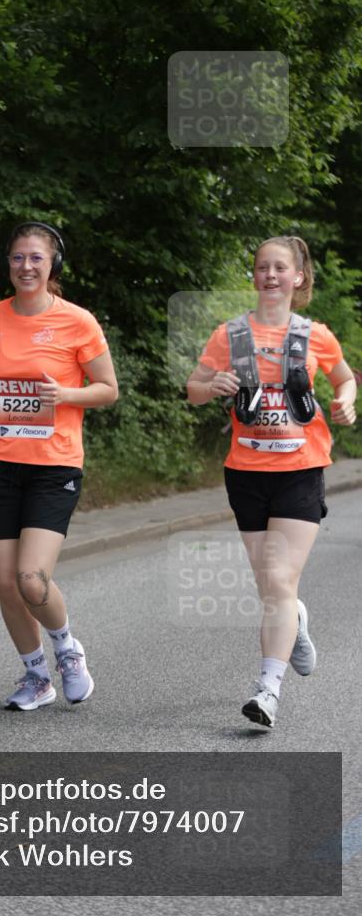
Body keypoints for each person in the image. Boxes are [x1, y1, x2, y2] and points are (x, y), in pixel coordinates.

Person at [186, 235, 357, 728]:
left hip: (301, 470)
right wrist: (210, 386)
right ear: (255, 275)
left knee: (279, 580)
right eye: (262, 267)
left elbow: (344, 378)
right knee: (272, 589)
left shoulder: (314, 335)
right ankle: (295, 619)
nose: (270, 275)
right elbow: (194, 389)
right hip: (245, 472)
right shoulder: (230, 335)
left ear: (298, 277)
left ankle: (267, 690)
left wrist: (346, 401)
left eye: (280, 267)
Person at [0, 222, 118, 710]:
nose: (26, 266)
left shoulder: (78, 322)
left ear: (53, 266)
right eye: (17, 258)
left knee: (31, 579)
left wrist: (65, 394)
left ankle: (67, 648)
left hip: (53, 466)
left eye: (36, 258)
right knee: (6, 583)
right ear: (8, 265)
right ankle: (35, 677)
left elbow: (108, 389)